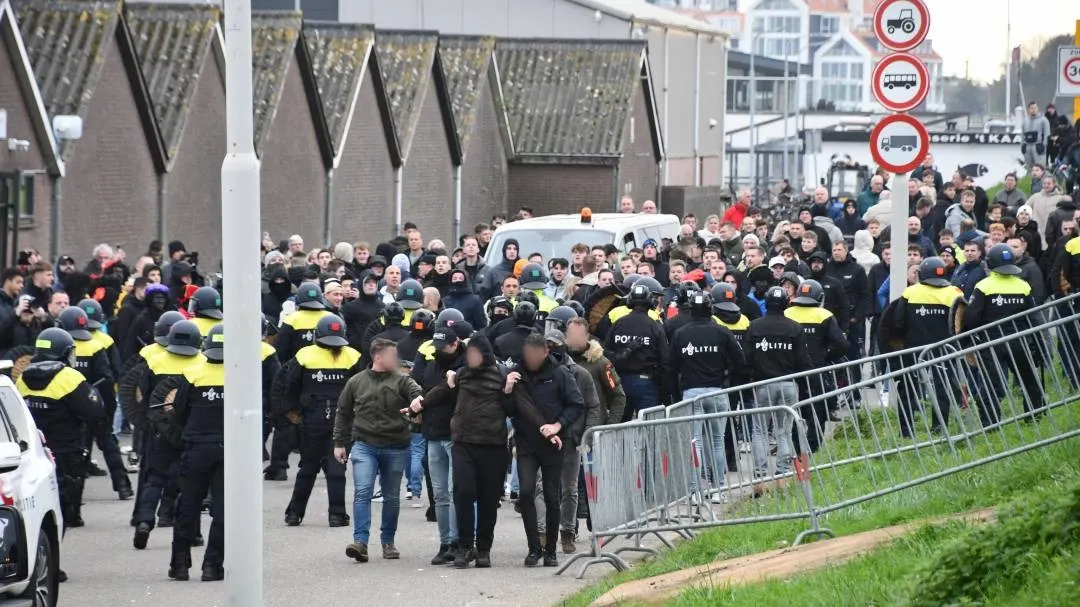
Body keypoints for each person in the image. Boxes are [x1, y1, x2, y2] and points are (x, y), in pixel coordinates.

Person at [16, 327, 102, 580]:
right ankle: (51, 565)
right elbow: (94, 412)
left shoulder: (23, 378)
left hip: (34, 452)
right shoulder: (70, 378)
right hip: (66, 453)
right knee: (60, 509)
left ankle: (38, 560)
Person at [335, 338, 423, 563]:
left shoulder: (402, 381)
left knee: (392, 497)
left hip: (396, 445)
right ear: (377, 357)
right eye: (391, 356)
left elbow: (417, 392)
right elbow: (343, 413)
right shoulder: (356, 382)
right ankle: (360, 542)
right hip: (365, 445)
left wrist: (417, 401)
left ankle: (388, 542)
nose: (395, 359)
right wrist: (339, 443)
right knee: (363, 491)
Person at [152, 324, 227, 582]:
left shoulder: (193, 373)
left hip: (196, 448)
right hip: (228, 450)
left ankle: (180, 564)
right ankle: (212, 565)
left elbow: (178, 410)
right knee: (223, 509)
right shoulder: (241, 374)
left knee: (188, 504)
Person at [274, 315, 362, 527]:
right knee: (336, 468)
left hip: (311, 420)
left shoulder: (304, 355)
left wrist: (291, 414)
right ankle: (337, 515)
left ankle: (294, 513)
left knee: (308, 467)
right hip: (342, 421)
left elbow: (287, 386)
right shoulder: (354, 356)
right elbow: (362, 390)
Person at [506, 333, 585, 567]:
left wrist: (558, 425)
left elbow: (576, 404)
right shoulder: (517, 374)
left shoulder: (559, 374)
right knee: (527, 492)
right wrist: (508, 389)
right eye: (526, 355)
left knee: (552, 496)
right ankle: (534, 547)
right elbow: (508, 409)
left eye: (534, 355)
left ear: (545, 353)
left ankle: (551, 550)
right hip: (526, 443)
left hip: (553, 442)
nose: (530, 360)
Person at [125, 320, 205, 549]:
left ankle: (144, 522)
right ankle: (193, 533)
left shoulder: (155, 362)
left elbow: (142, 397)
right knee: (192, 485)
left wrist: (148, 424)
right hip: (191, 432)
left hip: (160, 431)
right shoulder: (203, 363)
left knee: (154, 479)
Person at [669, 291, 745, 501]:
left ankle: (695, 491)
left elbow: (671, 366)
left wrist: (678, 392)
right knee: (718, 442)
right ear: (711, 309)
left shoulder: (681, 334)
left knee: (696, 444)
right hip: (717, 391)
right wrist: (727, 377)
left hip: (692, 392)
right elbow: (739, 359)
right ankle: (719, 489)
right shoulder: (722, 332)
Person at [407, 311, 467, 564]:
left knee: (455, 492)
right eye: (436, 346)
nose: (439, 350)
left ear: (455, 344)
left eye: (444, 346)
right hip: (433, 434)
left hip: (455, 436)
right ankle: (445, 543)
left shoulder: (465, 367)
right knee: (440, 494)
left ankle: (457, 540)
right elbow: (421, 388)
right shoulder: (431, 366)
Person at [879, 258, 964, 437]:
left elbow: (898, 322)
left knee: (908, 391)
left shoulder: (911, 292)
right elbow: (962, 323)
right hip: (944, 351)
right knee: (942, 389)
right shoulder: (955, 292)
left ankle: (906, 432)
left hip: (913, 351)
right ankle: (939, 428)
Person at [963, 244, 1045, 425]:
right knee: (1029, 379)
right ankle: (1035, 418)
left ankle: (990, 424)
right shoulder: (1023, 286)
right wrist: (1039, 346)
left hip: (990, 344)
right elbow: (1034, 317)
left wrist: (968, 340)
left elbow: (970, 318)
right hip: (1019, 341)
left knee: (992, 384)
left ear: (990, 263)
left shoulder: (983, 286)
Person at [743, 287, 812, 494]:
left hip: (762, 385)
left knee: (759, 431)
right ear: (786, 304)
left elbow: (747, 359)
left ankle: (760, 479)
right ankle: (782, 477)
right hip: (788, 385)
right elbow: (803, 361)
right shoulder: (795, 328)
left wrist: (750, 381)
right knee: (783, 431)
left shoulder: (754, 327)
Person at [784, 280, 847, 451]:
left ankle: (796, 448)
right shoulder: (824, 315)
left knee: (793, 411)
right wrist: (825, 357)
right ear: (820, 297)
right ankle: (814, 448)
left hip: (791, 372)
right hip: (817, 371)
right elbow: (842, 345)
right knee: (817, 410)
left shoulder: (787, 313)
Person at [603, 277, 668, 421]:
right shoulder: (655, 326)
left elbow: (606, 353)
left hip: (620, 383)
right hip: (646, 384)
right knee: (648, 429)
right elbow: (665, 359)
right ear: (651, 302)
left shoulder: (618, 324)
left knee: (621, 429)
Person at [275, 282, 330, 363]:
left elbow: (280, 350)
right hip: (326, 367)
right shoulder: (330, 317)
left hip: (297, 367)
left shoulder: (291, 319)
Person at [1021, 101, 1051, 171]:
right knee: (1029, 169)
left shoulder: (1043, 120)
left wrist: (1043, 146)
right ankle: (1028, 181)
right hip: (1027, 147)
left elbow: (1047, 134)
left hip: (1038, 146)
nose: (1033, 109)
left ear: (1037, 109)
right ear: (1029, 109)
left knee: (1040, 168)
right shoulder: (1025, 120)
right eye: (1031, 108)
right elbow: (1022, 134)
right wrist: (1022, 146)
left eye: (1035, 108)